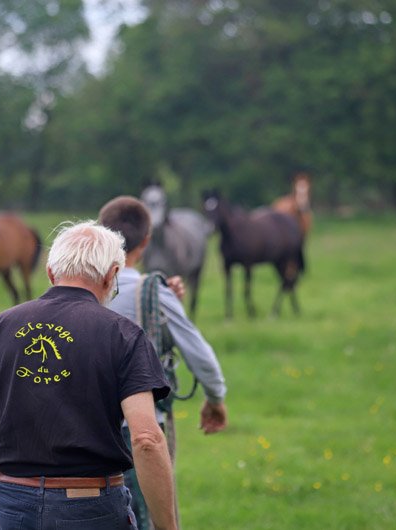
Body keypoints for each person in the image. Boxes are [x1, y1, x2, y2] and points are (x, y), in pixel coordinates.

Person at [0, 220, 179, 530]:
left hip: (12, 505)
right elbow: (147, 439)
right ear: (111, 275)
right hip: (93, 509)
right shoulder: (124, 335)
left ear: (51, 272)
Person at [99, 196, 228, 529]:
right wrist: (215, 399)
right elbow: (200, 354)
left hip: (83, 431)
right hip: (139, 431)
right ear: (146, 241)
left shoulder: (78, 291)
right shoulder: (150, 291)